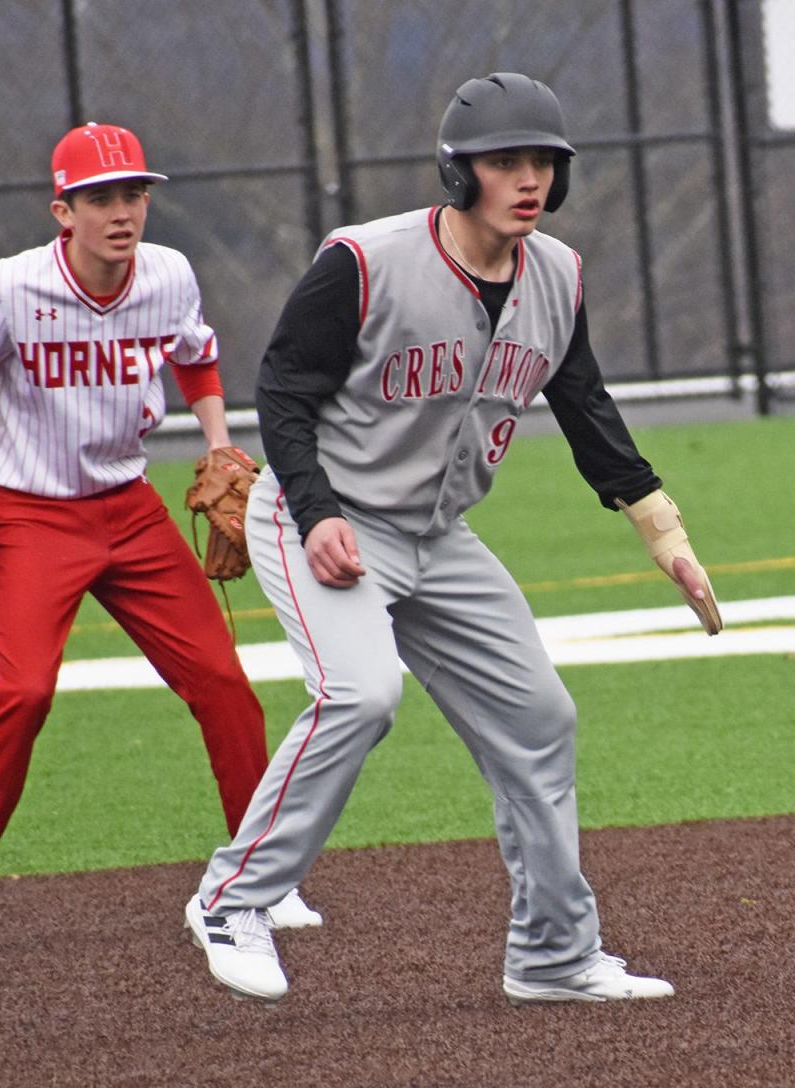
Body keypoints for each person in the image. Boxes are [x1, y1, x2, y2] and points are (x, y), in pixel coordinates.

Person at [184, 74, 722, 1004]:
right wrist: (316, 515)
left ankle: (553, 957)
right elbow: (281, 390)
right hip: (325, 520)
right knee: (360, 694)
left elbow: (584, 404)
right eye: (503, 162)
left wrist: (663, 533)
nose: (527, 180)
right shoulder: (366, 260)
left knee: (540, 721)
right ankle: (234, 900)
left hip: (439, 537)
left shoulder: (557, 274)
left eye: (543, 164)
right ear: (456, 170)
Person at [0, 122, 320, 952]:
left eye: (133, 193)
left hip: (129, 511)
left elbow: (195, 357)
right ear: (63, 210)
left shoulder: (167, 274)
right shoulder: (9, 288)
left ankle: (260, 878)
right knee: (23, 694)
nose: (122, 211)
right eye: (100, 198)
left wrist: (216, 442)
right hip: (28, 514)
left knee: (223, 684)